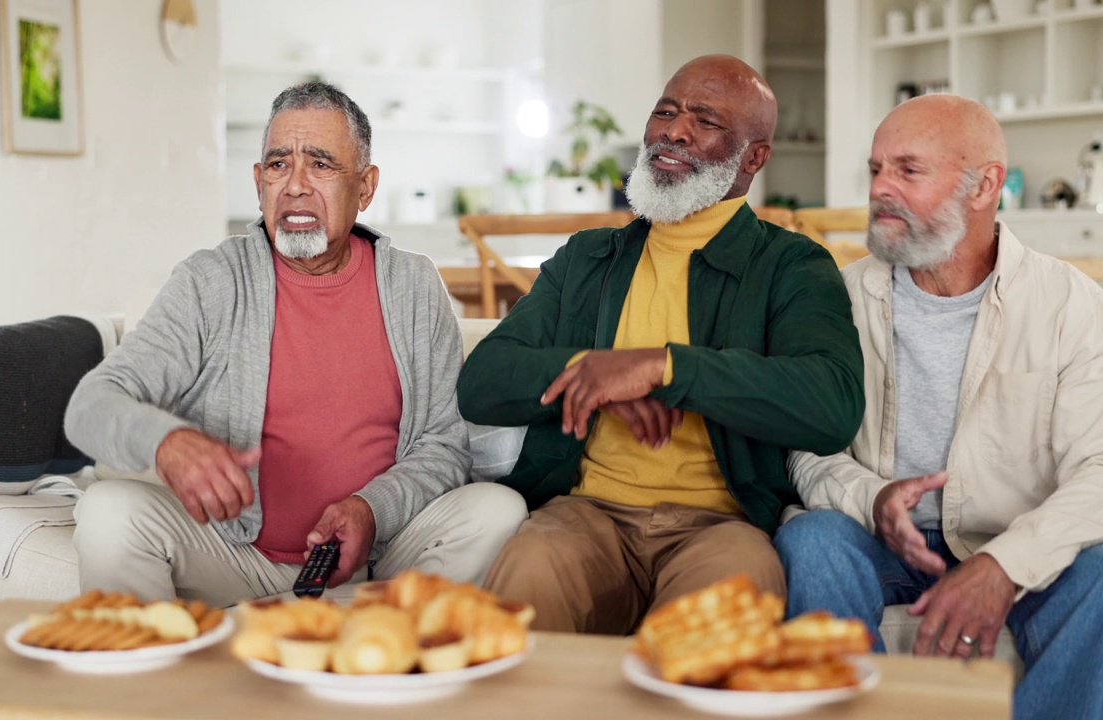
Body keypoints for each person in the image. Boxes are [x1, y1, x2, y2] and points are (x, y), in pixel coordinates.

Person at [65, 81, 527, 606]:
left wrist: (371, 510)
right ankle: (185, 668)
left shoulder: (414, 285)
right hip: (232, 554)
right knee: (108, 511)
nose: (296, 186)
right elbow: (90, 405)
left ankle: (325, 625)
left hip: (379, 556)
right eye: (279, 165)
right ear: (259, 181)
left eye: (322, 165)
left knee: (496, 510)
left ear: (366, 186)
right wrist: (165, 442)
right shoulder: (210, 281)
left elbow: (444, 446)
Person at [456, 55, 865, 634]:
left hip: (721, 528)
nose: (674, 130)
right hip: (585, 515)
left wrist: (664, 368)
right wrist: (595, 372)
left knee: (720, 616)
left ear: (756, 157)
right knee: (527, 578)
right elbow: (483, 384)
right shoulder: (588, 258)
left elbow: (832, 405)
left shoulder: (791, 266)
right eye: (665, 112)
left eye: (705, 120)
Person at [777, 95, 1103, 720]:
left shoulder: (1069, 303)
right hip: (881, 544)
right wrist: (871, 498)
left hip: (1015, 538)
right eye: (875, 169)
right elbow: (807, 445)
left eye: (907, 170)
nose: (880, 189)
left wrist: (1005, 565)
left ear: (984, 185)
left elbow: (1096, 470)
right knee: (813, 542)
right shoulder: (836, 300)